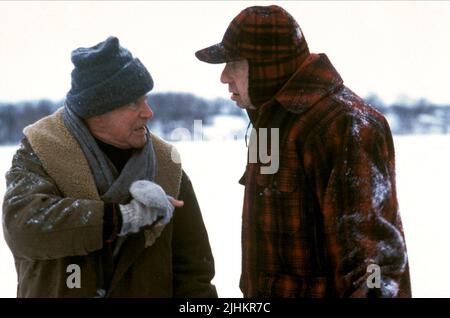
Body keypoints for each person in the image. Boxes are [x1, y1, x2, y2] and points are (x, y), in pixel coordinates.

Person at [195, 5, 411, 297]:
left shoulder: (343, 125)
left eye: (233, 62)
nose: (223, 77)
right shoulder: (267, 123)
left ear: (264, 64)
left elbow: (374, 263)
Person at [2, 36, 217, 298]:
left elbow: (194, 271)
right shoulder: (42, 151)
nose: (148, 112)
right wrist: (122, 217)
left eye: (146, 99)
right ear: (96, 111)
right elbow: (23, 227)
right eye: (133, 102)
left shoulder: (165, 163)